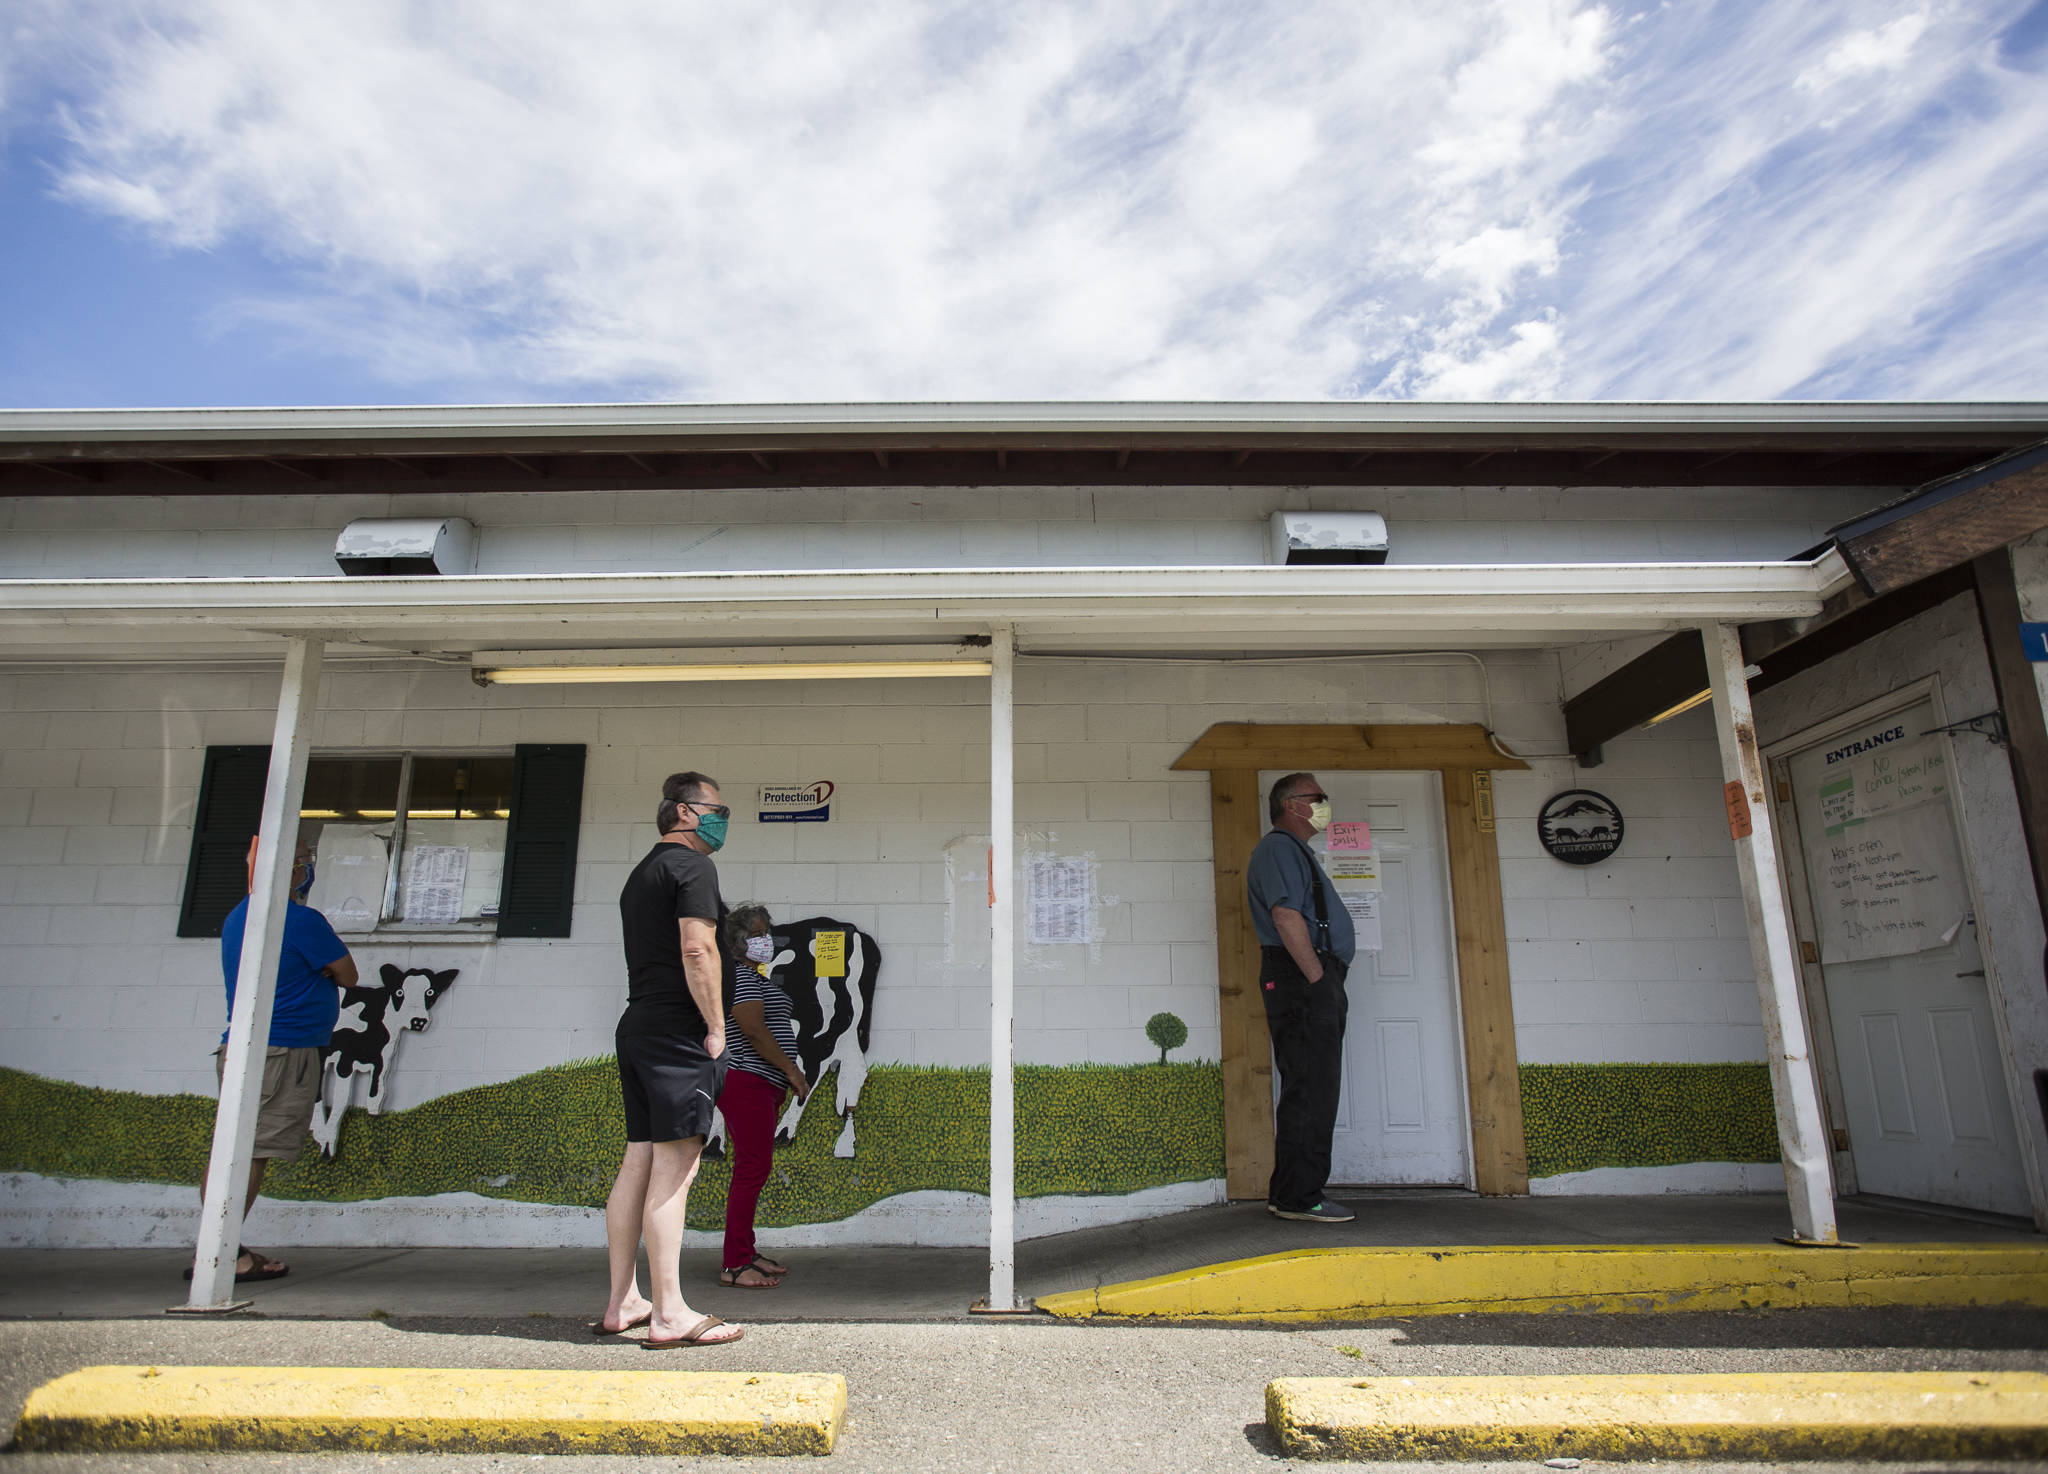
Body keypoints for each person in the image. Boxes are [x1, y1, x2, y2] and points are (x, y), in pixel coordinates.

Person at [595, 771, 745, 1348]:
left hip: (639, 1029)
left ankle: (622, 1302)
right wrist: (713, 1026)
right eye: (717, 808)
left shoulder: (644, 873)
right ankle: (669, 1313)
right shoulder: (693, 867)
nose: (722, 818)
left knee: (638, 1161)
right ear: (684, 812)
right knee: (675, 1171)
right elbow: (696, 946)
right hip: (679, 1036)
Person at [193, 840, 356, 1282]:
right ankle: (222, 1253)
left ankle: (217, 1243)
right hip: (281, 1051)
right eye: (303, 863)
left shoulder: (237, 915)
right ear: (291, 870)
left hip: (248, 1047)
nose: (307, 871)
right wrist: (322, 970)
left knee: (231, 1146)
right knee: (251, 1151)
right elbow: (348, 973)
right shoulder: (300, 920)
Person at [1245, 772, 1357, 1224]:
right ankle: (1299, 1197)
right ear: (1293, 805)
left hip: (1306, 978)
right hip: (1302, 979)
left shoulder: (1293, 851)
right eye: (1319, 798)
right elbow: (1286, 914)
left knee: (1311, 1084)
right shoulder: (1277, 848)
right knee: (1311, 1087)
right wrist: (1317, 980)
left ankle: (1293, 1192)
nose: (1326, 804)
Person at [716, 902, 810, 1289]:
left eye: (767, 933)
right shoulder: (739, 976)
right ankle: (735, 1264)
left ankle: (746, 1252)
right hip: (746, 1082)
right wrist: (792, 1070)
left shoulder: (755, 977)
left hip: (761, 1085)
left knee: (755, 1168)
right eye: (757, 934)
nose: (765, 940)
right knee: (751, 1169)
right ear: (737, 940)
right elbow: (753, 1030)